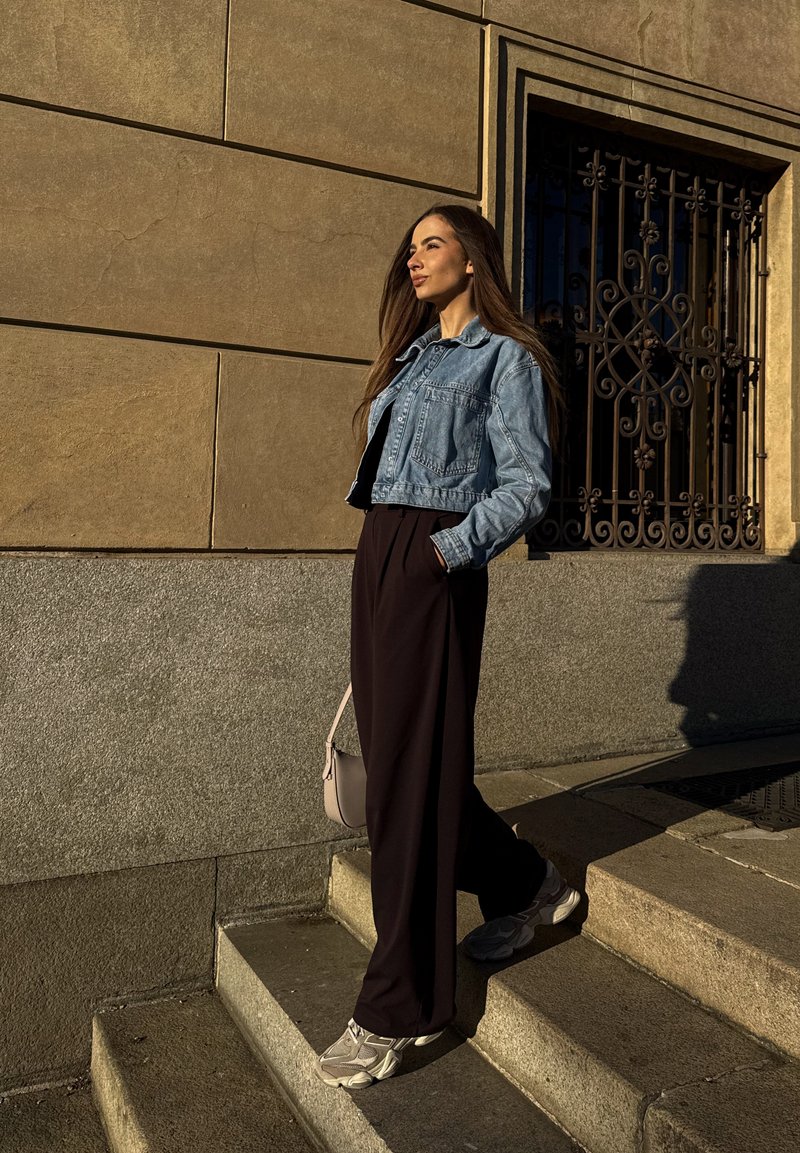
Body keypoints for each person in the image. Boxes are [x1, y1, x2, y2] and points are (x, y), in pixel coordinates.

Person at [315, 204, 580, 1090]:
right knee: (409, 768)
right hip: (382, 556)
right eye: (412, 246)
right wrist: (395, 558)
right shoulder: (416, 354)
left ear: (473, 261)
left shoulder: (507, 359)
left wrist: (444, 553)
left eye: (432, 243)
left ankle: (401, 1006)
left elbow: (528, 485)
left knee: (408, 780)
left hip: (435, 562)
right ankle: (529, 885)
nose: (414, 257)